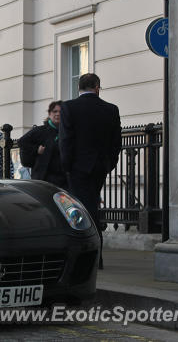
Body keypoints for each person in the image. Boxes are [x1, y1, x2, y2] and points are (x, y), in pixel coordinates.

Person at [59, 73, 121, 269]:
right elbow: (116, 143)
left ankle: (91, 257)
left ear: (80, 87)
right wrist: (109, 163)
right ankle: (94, 256)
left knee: (84, 211)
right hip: (99, 167)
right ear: (97, 87)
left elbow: (66, 140)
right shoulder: (111, 109)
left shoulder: (69, 107)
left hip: (77, 167)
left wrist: (66, 166)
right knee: (90, 205)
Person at [17, 101, 67, 189]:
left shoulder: (67, 131)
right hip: (44, 178)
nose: (58, 114)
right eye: (55, 111)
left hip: (63, 179)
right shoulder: (41, 131)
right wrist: (36, 149)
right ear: (49, 114)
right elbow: (22, 142)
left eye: (60, 111)